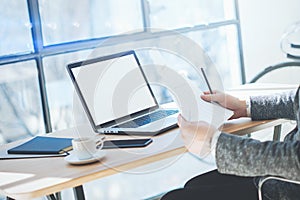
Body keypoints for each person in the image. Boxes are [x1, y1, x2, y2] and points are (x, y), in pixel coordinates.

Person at [162, 87, 300, 200]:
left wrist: (214, 143)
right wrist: (245, 106)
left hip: (286, 188)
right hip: (281, 177)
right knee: (194, 185)